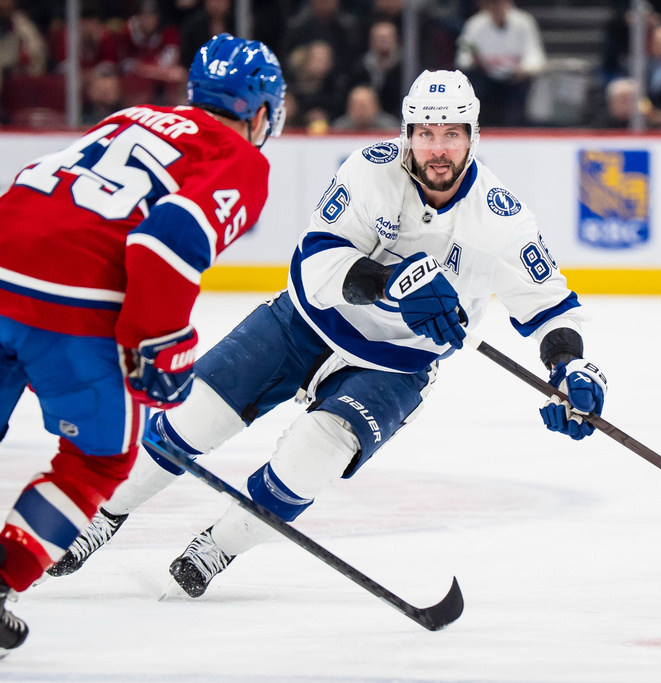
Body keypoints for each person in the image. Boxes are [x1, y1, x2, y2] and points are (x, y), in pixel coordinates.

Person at [49, 69, 607, 602]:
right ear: (407, 133)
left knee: (310, 457)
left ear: (474, 137)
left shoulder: (502, 217)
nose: (439, 148)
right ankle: (102, 515)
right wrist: (392, 285)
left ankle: (217, 549)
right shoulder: (370, 170)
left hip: (398, 364)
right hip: (306, 323)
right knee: (192, 418)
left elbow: (550, 304)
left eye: (453, 134)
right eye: (426, 133)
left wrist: (570, 368)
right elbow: (315, 264)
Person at [0, 32, 286, 656]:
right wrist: (158, 344)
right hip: (70, 301)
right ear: (261, 112)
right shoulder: (240, 158)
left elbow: (31, 179)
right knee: (99, 460)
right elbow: (165, 242)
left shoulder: (129, 116)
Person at [456, 0, 546, 126]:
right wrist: (475, 61)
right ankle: (479, 127)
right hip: (486, 78)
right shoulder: (475, 25)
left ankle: (517, 129)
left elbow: (535, 57)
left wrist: (524, 70)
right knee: (472, 83)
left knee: (528, 87)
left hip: (515, 80)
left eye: (500, 3)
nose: (497, 8)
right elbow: (463, 59)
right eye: (493, 4)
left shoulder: (523, 22)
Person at [331, 84, 400, 131]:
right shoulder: (339, 129)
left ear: (376, 107)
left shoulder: (390, 129)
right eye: (357, 106)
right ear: (349, 108)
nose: (361, 111)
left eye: (364, 106)